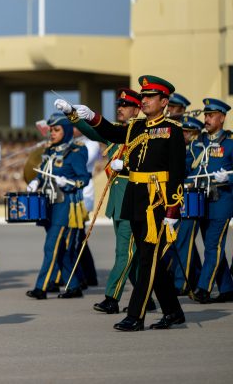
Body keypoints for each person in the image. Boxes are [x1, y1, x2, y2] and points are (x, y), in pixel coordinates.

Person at [57, 75, 185, 331]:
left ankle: (136, 315)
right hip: (134, 198)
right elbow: (111, 131)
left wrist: (172, 208)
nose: (145, 100)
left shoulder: (172, 129)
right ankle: (173, 311)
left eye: (150, 97)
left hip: (155, 203)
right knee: (152, 262)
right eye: (144, 96)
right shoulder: (136, 127)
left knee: (148, 259)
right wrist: (89, 115)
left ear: (164, 101)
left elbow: (177, 172)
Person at [74, 88, 142, 314]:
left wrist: (127, 167)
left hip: (134, 203)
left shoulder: (143, 133)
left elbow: (149, 164)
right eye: (119, 105)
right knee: (132, 254)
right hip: (118, 202)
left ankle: (112, 297)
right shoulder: (117, 132)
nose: (120, 109)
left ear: (137, 109)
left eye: (125, 105)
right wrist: (73, 115)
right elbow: (94, 133)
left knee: (125, 253)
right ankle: (146, 294)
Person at [25, 113, 90, 300]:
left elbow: (83, 179)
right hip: (49, 204)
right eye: (51, 130)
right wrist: (35, 182)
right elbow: (44, 172)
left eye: (56, 130)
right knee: (60, 249)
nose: (52, 133)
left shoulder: (76, 150)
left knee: (51, 246)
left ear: (67, 130)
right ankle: (73, 285)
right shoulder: (50, 150)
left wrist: (67, 182)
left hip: (66, 205)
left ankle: (42, 287)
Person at [187, 98, 233, 304]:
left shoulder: (230, 143)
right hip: (200, 199)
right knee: (211, 245)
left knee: (213, 245)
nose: (206, 119)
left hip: (221, 200)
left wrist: (228, 177)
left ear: (222, 118)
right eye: (205, 115)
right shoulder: (199, 142)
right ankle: (227, 288)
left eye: (211, 115)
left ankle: (203, 288)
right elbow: (189, 167)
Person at [169, 115, 204, 295]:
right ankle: (186, 279)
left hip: (191, 198)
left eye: (187, 132)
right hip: (182, 196)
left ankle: (181, 284)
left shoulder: (196, 149)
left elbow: (186, 169)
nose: (183, 135)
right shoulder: (185, 149)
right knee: (178, 241)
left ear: (195, 134)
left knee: (185, 242)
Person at [72, 127, 100, 288]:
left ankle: (84, 276)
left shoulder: (92, 143)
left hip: (84, 193)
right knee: (77, 235)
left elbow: (83, 161)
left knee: (77, 236)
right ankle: (87, 275)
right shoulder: (69, 143)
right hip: (70, 192)